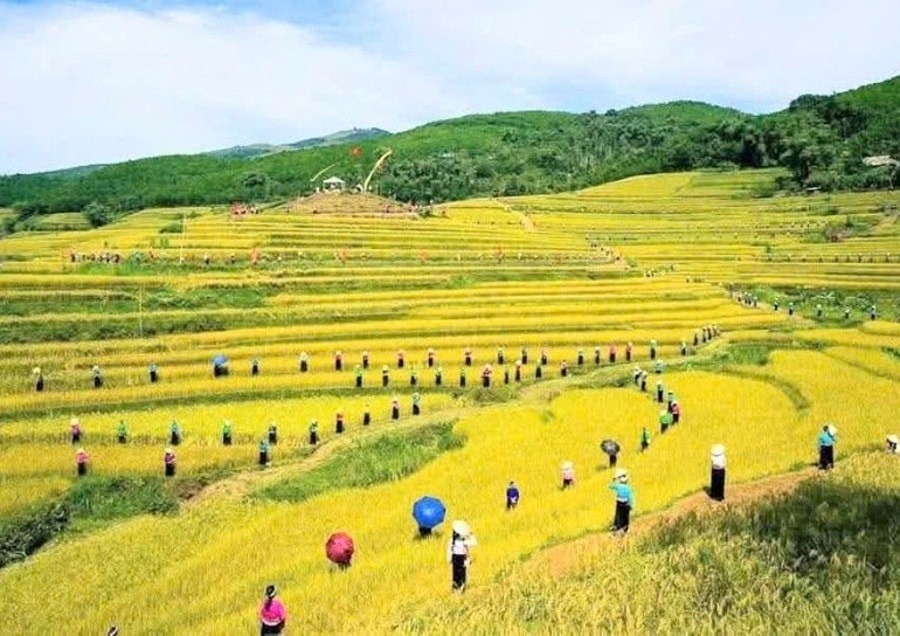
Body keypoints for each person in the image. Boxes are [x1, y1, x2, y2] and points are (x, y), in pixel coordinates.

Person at [447, 522, 474, 592]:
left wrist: (471, 535)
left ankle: (460, 587)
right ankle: (456, 587)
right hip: (457, 557)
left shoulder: (463, 540)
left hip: (460, 557)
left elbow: (468, 548)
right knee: (456, 573)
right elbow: (450, 550)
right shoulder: (453, 540)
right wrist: (449, 558)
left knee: (461, 573)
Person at [609, 468, 634, 534]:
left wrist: (614, 480)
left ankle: (617, 527)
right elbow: (630, 497)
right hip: (626, 504)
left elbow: (610, 486)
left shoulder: (618, 486)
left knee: (619, 515)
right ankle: (625, 528)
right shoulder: (628, 488)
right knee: (626, 516)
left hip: (619, 503)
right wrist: (631, 505)